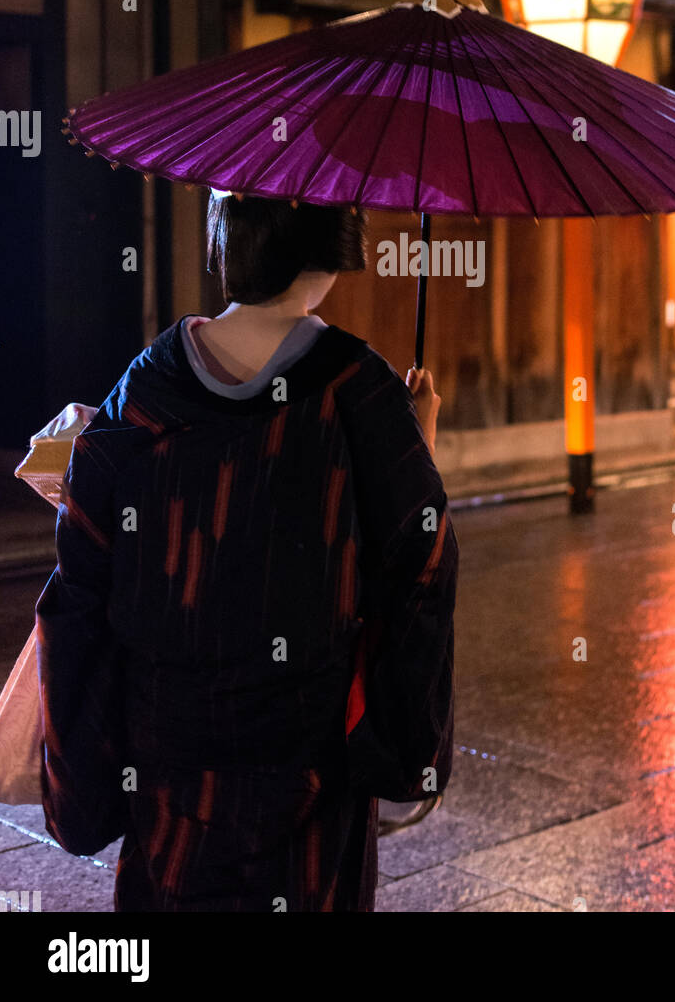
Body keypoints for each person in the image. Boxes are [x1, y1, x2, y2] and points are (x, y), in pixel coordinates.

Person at [35, 194, 458, 912]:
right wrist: (418, 447)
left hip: (164, 774)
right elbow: (418, 568)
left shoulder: (141, 390)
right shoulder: (361, 393)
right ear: (335, 248)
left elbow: (79, 596)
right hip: (309, 776)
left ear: (223, 238)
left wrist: (82, 780)